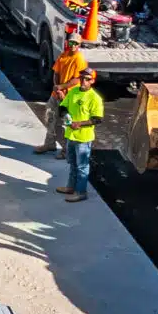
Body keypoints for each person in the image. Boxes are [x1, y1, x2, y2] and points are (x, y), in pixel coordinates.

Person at [56, 69, 105, 202]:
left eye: (88, 79)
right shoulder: (73, 91)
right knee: (72, 163)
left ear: (92, 81)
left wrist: (80, 123)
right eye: (82, 78)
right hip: (71, 135)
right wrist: (65, 115)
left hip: (83, 138)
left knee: (82, 166)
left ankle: (81, 192)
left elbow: (97, 119)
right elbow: (63, 106)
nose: (84, 81)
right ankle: (70, 187)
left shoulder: (94, 98)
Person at [40, 47, 87, 156]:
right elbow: (56, 72)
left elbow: (77, 79)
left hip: (69, 97)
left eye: (76, 43)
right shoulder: (63, 55)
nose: (73, 45)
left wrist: (62, 87)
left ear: (79, 44)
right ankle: (49, 144)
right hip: (56, 94)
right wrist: (57, 87)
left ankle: (67, 151)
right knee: (50, 117)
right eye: (71, 42)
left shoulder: (79, 59)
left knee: (66, 123)